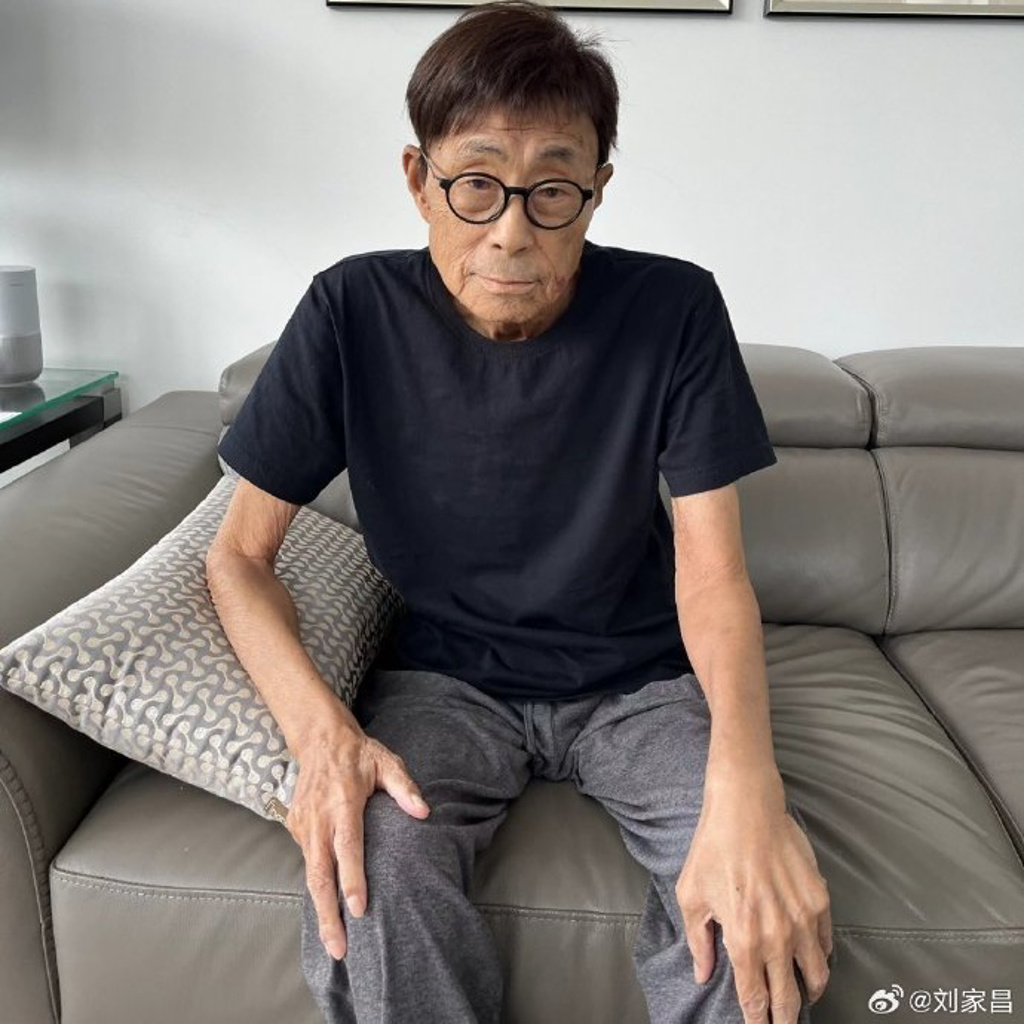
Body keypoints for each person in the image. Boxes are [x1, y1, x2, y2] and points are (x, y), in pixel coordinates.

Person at [206, 2, 833, 1022]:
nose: (510, 230)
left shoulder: (674, 311)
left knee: (750, 908)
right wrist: (324, 738)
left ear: (596, 193)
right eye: (476, 182)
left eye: (550, 190)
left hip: (641, 682)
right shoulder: (350, 310)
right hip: (443, 681)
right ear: (419, 180)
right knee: (370, 881)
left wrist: (748, 783)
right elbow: (238, 556)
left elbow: (713, 573)